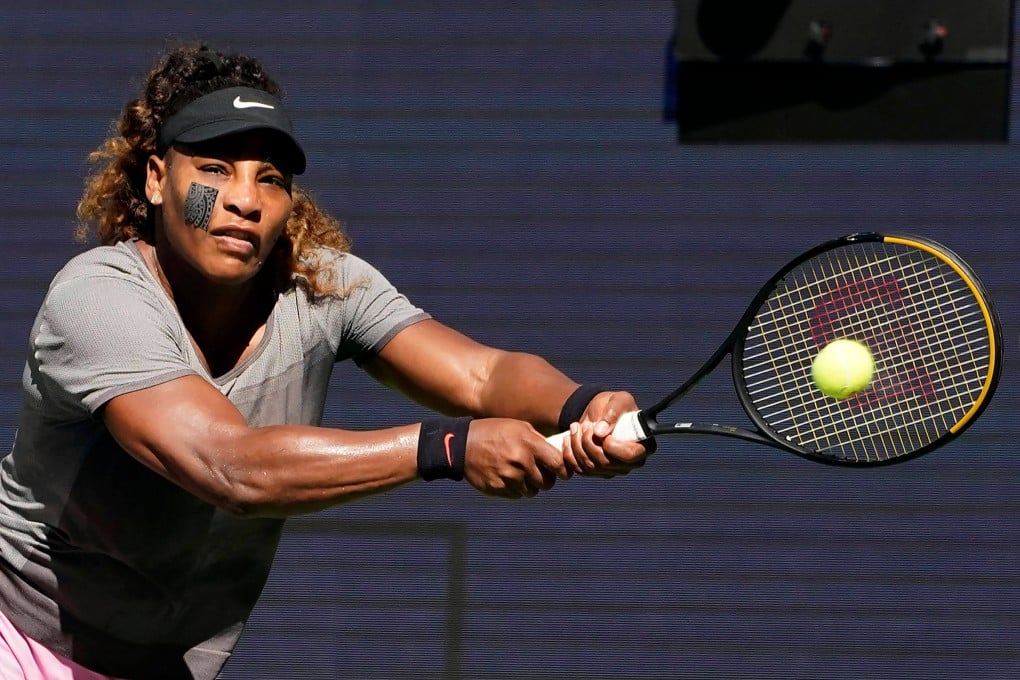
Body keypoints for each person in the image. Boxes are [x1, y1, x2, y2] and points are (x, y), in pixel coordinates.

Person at [0, 43, 652, 680]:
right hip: (19, 639)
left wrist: (580, 405)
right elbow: (230, 468)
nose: (245, 199)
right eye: (215, 169)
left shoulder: (326, 285)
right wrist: (450, 447)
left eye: (271, 179)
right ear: (155, 178)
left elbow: (482, 375)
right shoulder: (98, 297)